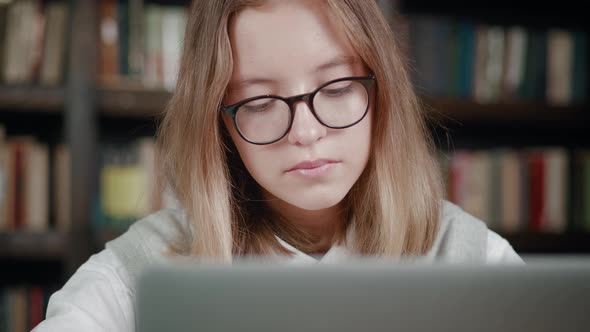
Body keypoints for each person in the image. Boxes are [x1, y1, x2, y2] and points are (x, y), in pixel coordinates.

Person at [33, 0, 523, 331]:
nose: (305, 133)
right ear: (219, 122)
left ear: (383, 95)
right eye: (262, 102)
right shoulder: (141, 272)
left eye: (335, 89)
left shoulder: (474, 259)